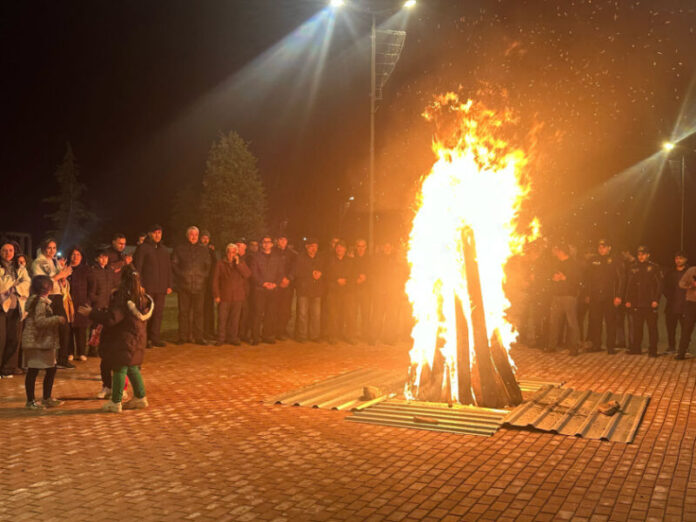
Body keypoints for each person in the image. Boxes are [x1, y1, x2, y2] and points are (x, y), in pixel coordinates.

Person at [79, 264, 153, 413]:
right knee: (132, 367)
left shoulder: (123, 297)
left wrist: (92, 313)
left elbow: (113, 318)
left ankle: (116, 401)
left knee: (119, 368)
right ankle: (140, 397)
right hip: (137, 338)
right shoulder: (142, 297)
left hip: (123, 339)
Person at [22, 275, 65, 410]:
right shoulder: (40, 303)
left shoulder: (38, 301)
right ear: (48, 288)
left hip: (42, 342)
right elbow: (40, 322)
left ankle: (46, 398)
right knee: (34, 371)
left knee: (50, 369)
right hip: (38, 342)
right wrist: (57, 319)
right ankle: (31, 401)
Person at [31, 238, 75, 369]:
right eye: (49, 247)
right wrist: (59, 276)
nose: (52, 250)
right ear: (44, 248)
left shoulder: (54, 261)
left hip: (57, 296)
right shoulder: (38, 262)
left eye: (54, 248)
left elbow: (59, 280)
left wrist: (63, 278)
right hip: (46, 298)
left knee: (64, 327)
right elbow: (41, 282)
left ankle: (62, 358)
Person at [133, 224, 172, 348]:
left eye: (159, 233)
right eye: (155, 233)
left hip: (161, 287)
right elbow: (138, 267)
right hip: (147, 287)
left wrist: (169, 284)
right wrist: (139, 285)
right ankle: (144, 339)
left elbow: (168, 269)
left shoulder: (164, 250)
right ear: (150, 234)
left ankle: (155, 338)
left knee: (158, 313)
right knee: (146, 314)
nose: (157, 235)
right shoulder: (143, 248)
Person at [171, 226, 211, 345]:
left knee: (199, 312)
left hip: (199, 286)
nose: (193, 237)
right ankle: (183, 336)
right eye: (191, 234)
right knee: (183, 312)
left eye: (195, 235)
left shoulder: (204, 250)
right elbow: (174, 264)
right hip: (184, 286)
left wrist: (203, 276)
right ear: (187, 235)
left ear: (198, 236)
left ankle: (198, 336)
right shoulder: (180, 249)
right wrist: (182, 275)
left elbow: (208, 265)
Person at [583, 239, 624, 354]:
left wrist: (618, 296)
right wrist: (587, 294)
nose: (601, 249)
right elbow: (588, 279)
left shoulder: (615, 260)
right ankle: (596, 344)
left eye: (604, 247)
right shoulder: (593, 261)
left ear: (609, 248)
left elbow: (621, 279)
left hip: (610, 297)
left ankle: (610, 346)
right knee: (596, 321)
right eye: (600, 247)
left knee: (610, 322)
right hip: (595, 296)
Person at [624, 246, 661, 357]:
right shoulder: (633, 267)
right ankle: (636, 348)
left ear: (648, 255)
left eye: (643, 254)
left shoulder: (654, 267)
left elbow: (659, 285)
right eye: (639, 254)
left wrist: (656, 299)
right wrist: (628, 299)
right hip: (637, 303)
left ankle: (653, 350)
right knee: (637, 327)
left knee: (652, 328)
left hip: (650, 303)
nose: (641, 256)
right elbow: (629, 285)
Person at [1, 240, 30, 377]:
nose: (8, 253)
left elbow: (27, 282)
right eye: (5, 250)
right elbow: (2, 286)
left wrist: (15, 287)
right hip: (1, 307)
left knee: (14, 338)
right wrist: (12, 284)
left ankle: (9, 367)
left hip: (16, 306)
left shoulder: (19, 267)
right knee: (1, 338)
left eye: (11, 250)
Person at [212, 243, 251, 346]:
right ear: (226, 253)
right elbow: (215, 280)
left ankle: (233, 337)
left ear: (237, 253)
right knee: (222, 318)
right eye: (229, 252)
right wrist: (216, 294)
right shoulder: (220, 263)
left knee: (235, 318)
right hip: (224, 295)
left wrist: (238, 264)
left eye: (234, 252)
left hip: (238, 296)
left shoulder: (240, 263)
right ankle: (221, 338)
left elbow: (247, 274)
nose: (231, 254)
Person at [546, 243, 581, 355]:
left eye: (557, 251)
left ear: (562, 252)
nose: (555, 253)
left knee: (571, 323)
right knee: (554, 322)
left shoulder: (573, 264)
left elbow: (577, 281)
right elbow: (552, 276)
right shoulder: (557, 263)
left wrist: (564, 278)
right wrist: (554, 279)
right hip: (557, 296)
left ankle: (574, 348)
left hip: (569, 296)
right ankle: (552, 345)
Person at [250, 235, 284, 345]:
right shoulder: (255, 257)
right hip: (260, 289)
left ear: (272, 244)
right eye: (264, 242)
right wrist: (263, 283)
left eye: (268, 242)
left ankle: (268, 335)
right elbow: (253, 273)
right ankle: (255, 337)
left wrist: (275, 284)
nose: (266, 244)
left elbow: (280, 273)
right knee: (258, 313)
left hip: (273, 289)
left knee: (271, 313)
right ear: (261, 244)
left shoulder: (277, 257)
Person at [294, 237, 324, 342]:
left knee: (316, 314)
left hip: (316, 290)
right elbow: (296, 272)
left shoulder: (320, 257)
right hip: (304, 289)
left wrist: (320, 273)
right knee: (303, 314)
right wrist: (310, 274)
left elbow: (325, 269)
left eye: (315, 246)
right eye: (311, 246)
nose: (313, 249)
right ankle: (302, 335)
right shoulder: (300, 257)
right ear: (307, 247)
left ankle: (314, 335)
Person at [66, 247, 92, 362]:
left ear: (81, 257)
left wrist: (88, 301)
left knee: (81, 329)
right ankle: (69, 352)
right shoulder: (65, 269)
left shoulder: (86, 270)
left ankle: (81, 352)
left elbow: (92, 286)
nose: (75, 257)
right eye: (73, 254)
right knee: (68, 328)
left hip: (81, 302)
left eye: (78, 255)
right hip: (67, 302)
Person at [325, 240, 353, 343]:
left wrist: (346, 281)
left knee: (348, 314)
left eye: (341, 247)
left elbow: (353, 274)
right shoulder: (330, 260)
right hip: (334, 290)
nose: (339, 249)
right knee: (333, 314)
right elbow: (327, 273)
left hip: (346, 291)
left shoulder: (350, 261)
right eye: (338, 247)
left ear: (345, 249)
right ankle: (332, 336)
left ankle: (349, 336)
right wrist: (337, 279)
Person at [663, 251, 689, 353]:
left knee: (685, 329)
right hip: (671, 306)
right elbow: (664, 287)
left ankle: (684, 348)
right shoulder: (670, 272)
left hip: (685, 306)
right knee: (670, 329)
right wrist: (669, 296)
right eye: (676, 258)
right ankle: (671, 346)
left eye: (681, 258)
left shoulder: (690, 272)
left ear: (686, 259)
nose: (678, 260)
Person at [274, 234, 297, 340]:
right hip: (276, 284)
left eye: (284, 240)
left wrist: (288, 278)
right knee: (274, 308)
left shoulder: (293, 254)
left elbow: (295, 268)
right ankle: (272, 330)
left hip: (288, 285)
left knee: (285, 309)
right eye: (280, 240)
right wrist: (279, 280)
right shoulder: (273, 252)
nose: (282, 242)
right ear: (277, 241)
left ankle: (281, 330)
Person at [349, 239, 371, 342]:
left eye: (363, 246)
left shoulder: (370, 259)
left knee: (366, 313)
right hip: (354, 289)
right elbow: (348, 272)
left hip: (365, 290)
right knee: (352, 313)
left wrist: (365, 278)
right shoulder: (351, 259)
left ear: (366, 247)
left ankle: (365, 334)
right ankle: (352, 335)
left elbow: (373, 272)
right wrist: (356, 279)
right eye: (358, 246)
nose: (360, 248)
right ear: (355, 247)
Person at [199, 230, 217, 340]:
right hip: (200, 284)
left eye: (207, 238)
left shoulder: (211, 251)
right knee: (200, 310)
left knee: (210, 309)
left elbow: (215, 266)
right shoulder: (197, 250)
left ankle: (210, 330)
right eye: (203, 238)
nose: (205, 240)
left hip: (209, 285)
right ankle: (201, 332)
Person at [677, 263, 696, 359]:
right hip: (691, 304)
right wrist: (690, 286)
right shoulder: (691, 270)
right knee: (686, 329)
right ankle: (681, 353)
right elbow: (681, 283)